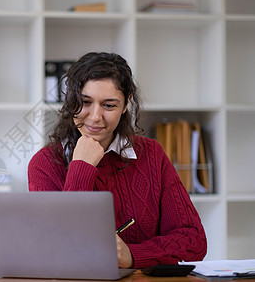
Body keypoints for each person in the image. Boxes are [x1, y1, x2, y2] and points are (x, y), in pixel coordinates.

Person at [27, 52, 207, 269]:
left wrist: (133, 255)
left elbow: (193, 241)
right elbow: (60, 250)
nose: (95, 117)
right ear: (70, 99)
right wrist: (81, 168)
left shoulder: (151, 154)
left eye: (109, 105)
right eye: (85, 102)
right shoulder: (45, 164)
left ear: (125, 104)